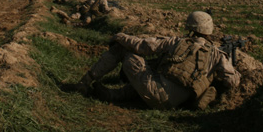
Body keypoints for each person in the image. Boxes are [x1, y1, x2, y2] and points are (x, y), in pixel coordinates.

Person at [65, 11, 241, 110]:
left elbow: (142, 46)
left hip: (155, 91)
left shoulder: (176, 42)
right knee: (152, 71)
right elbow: (232, 80)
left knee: (124, 50)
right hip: (176, 103)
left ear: (190, 27)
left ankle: (84, 83)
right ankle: (111, 95)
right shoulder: (218, 54)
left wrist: (120, 36)